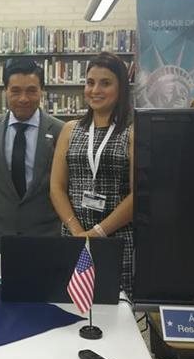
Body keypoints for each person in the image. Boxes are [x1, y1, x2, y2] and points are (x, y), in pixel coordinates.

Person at [50, 52, 134, 296]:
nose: (95, 90)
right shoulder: (70, 129)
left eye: (105, 83)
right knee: (71, 303)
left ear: (121, 88)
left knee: (114, 306)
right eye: (90, 82)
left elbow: (138, 193)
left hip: (115, 239)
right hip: (73, 236)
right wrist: (77, 231)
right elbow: (56, 186)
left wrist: (98, 232)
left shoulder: (132, 131)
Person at [0, 59, 64, 254]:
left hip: (45, 239)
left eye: (31, 90)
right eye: (15, 91)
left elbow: (64, 185)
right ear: (5, 91)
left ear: (42, 91)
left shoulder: (60, 132)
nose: (23, 98)